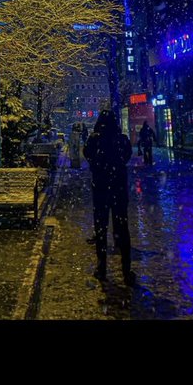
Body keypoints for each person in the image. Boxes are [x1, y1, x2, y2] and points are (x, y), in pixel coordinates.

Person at [84, 109, 135, 285]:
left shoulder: (94, 139)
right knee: (122, 228)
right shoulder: (121, 139)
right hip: (118, 189)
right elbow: (127, 156)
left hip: (101, 190)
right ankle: (126, 270)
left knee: (101, 229)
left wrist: (99, 167)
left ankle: (101, 267)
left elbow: (87, 154)